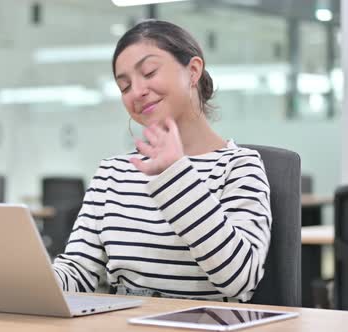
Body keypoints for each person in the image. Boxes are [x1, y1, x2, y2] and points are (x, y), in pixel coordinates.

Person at [52, 20, 271, 303]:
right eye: (125, 86)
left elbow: (239, 279)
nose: (137, 92)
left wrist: (175, 173)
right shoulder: (112, 172)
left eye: (149, 72)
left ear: (193, 71)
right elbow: (79, 272)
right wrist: (29, 278)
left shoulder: (240, 166)